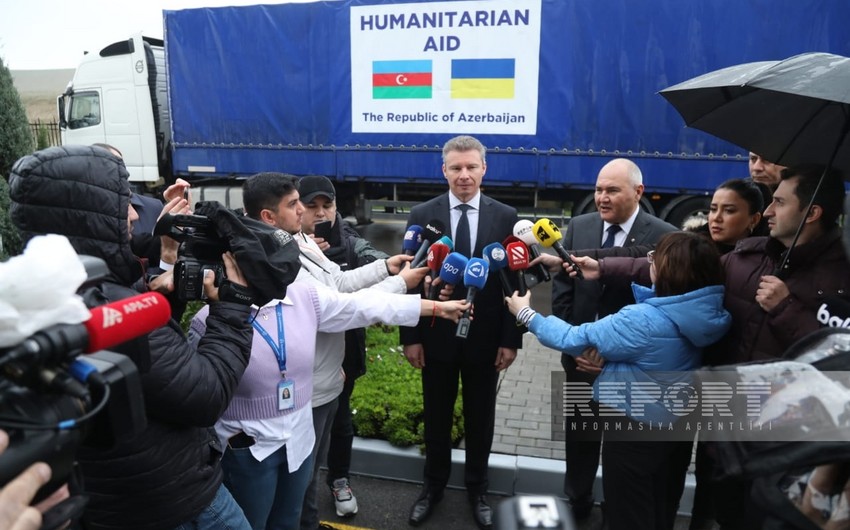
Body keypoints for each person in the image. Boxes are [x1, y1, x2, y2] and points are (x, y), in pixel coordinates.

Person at [9, 145, 255, 530]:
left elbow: (147, 367)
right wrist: (233, 310)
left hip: (118, 501)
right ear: (87, 217)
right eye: (123, 202)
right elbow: (204, 394)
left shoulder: (44, 296)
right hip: (174, 503)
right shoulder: (103, 304)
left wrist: (162, 290)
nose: (135, 214)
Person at [190, 266, 468, 530]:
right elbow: (197, 394)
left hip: (298, 441)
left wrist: (435, 308)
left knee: (288, 521)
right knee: (251, 524)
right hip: (248, 449)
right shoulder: (211, 318)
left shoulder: (304, 295)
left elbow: (363, 305)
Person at [237, 172, 429, 530]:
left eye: (321, 205)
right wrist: (403, 285)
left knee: (309, 472)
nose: (310, 213)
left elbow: (337, 282)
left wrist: (384, 266)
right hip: (302, 390)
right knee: (300, 483)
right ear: (267, 217)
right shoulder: (275, 258)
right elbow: (338, 309)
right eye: (297, 205)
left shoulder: (301, 241)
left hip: (326, 381)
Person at [509, 231, 731, 530]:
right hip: (674, 426)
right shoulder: (708, 313)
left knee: (629, 509)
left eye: (655, 257)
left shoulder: (641, 319)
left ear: (671, 270)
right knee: (659, 503)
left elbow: (572, 337)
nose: (650, 261)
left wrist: (525, 312)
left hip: (633, 431)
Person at [400, 135, 523, 530]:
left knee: (480, 420)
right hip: (435, 336)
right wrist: (411, 337)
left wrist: (510, 339)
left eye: (471, 167)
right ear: (444, 171)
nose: (464, 175)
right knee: (436, 418)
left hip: (486, 342)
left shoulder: (506, 217)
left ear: (484, 169)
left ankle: (477, 489)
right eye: (456, 168)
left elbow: (514, 285)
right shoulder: (423, 215)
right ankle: (432, 488)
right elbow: (410, 282)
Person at [549, 158, 677, 520]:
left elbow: (664, 307)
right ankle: (578, 501)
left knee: (623, 448)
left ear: (638, 192)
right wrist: (575, 343)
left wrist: (612, 356)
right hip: (579, 361)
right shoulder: (579, 226)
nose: (601, 198)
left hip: (629, 369)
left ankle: (616, 508)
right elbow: (563, 291)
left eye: (612, 190)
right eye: (598, 189)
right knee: (580, 439)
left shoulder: (664, 236)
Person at [297, 175, 388, 518]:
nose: (321, 214)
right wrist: (302, 259)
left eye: (328, 205)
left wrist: (391, 268)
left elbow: (374, 258)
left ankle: (339, 480)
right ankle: (302, 492)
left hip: (344, 354)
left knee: (340, 422)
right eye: (312, 206)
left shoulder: (349, 239)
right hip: (301, 359)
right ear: (296, 208)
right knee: (306, 430)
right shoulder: (283, 246)